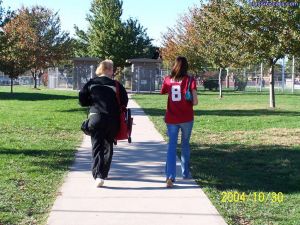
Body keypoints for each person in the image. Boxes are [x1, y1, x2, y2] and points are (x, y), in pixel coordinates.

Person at [79, 60, 128, 187]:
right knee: (108, 146)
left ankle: (97, 175)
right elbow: (124, 101)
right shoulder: (116, 85)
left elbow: (82, 99)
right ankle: (103, 174)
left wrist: (92, 102)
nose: (113, 72)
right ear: (107, 70)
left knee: (97, 147)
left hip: (96, 118)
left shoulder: (91, 83)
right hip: (112, 119)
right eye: (112, 69)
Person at [161, 56, 198, 188]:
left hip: (171, 118)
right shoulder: (190, 80)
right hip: (187, 118)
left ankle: (170, 176)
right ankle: (185, 173)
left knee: (172, 146)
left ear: (174, 66)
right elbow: (195, 101)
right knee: (185, 144)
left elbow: (163, 91)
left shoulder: (167, 79)